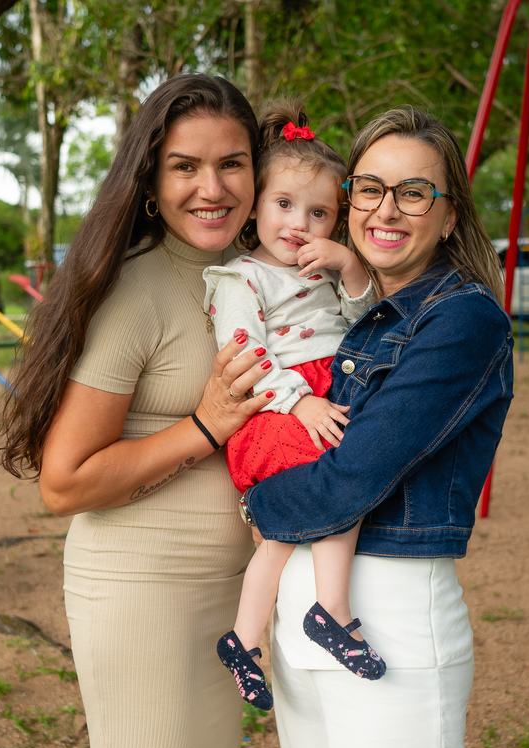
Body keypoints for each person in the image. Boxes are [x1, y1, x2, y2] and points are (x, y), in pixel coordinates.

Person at [0, 74, 273, 748]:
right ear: (151, 179)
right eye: (185, 166)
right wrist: (204, 426)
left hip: (229, 594)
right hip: (146, 593)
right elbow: (64, 481)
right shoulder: (136, 290)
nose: (210, 187)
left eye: (231, 163)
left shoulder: (250, 278)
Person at [240, 106, 514, 748]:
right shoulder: (345, 316)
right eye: (370, 188)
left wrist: (252, 501)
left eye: (414, 191)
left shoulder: (462, 318)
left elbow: (349, 477)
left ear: (450, 216)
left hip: (387, 615)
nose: (386, 209)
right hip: (302, 614)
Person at [203, 102, 379, 711]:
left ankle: (244, 640)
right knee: (347, 478)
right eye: (283, 205)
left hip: (326, 396)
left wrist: (351, 266)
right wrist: (300, 402)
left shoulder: (326, 270)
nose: (299, 223)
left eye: (319, 212)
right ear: (254, 206)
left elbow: (364, 325)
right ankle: (330, 613)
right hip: (276, 409)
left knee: (284, 535)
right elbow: (244, 350)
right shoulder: (241, 277)